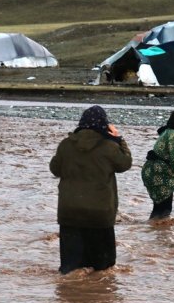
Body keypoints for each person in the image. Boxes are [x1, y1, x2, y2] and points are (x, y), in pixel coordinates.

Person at [50, 105, 133, 274]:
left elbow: (54, 169)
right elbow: (125, 164)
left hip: (70, 214)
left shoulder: (66, 145)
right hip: (99, 215)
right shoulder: (110, 147)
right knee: (104, 270)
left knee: (70, 270)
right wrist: (119, 139)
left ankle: (69, 299)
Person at [141, 108, 174, 220]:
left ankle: (151, 231)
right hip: (160, 173)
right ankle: (162, 234)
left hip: (151, 171)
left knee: (158, 209)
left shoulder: (167, 131)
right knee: (165, 210)